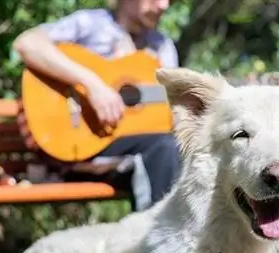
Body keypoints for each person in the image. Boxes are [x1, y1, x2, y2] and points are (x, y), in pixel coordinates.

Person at [12, 0, 181, 211]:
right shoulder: (90, 24)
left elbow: (172, 111)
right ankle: (157, 238)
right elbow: (27, 44)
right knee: (163, 148)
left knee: (173, 148)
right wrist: (91, 83)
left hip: (133, 156)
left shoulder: (162, 47)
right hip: (79, 149)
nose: (164, 5)